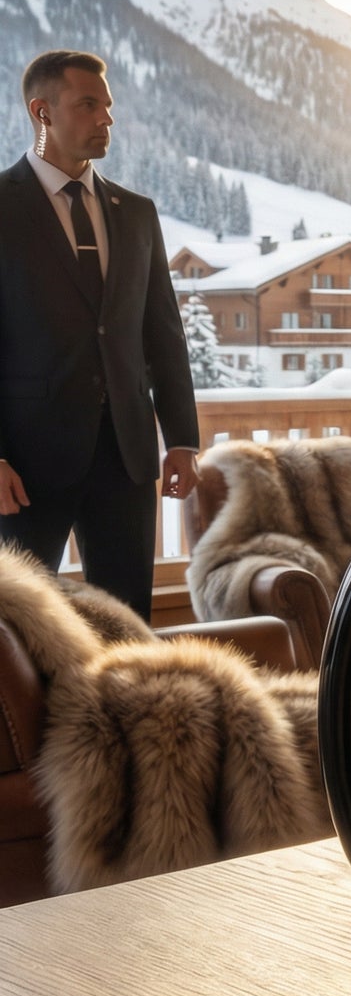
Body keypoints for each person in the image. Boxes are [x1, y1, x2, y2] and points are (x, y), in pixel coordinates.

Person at [0, 49, 199, 619]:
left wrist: (181, 437)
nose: (106, 118)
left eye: (107, 106)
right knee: (18, 623)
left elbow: (163, 330)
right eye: (89, 104)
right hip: (25, 464)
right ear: (42, 111)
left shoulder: (137, 212)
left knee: (129, 616)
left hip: (127, 456)